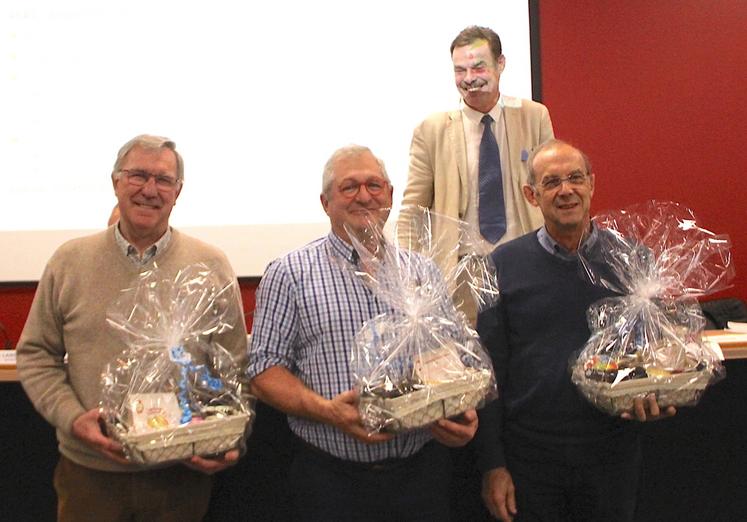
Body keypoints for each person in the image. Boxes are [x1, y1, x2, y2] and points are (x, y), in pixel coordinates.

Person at [16, 134, 248, 522]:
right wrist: (73, 418)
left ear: (178, 192)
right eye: (138, 175)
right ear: (115, 182)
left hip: (181, 473)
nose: (149, 190)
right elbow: (36, 353)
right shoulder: (69, 261)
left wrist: (228, 437)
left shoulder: (210, 265)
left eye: (163, 180)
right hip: (90, 474)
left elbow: (234, 366)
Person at [247, 144, 479, 522]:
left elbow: (448, 357)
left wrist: (458, 412)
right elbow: (262, 371)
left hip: (422, 477)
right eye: (349, 187)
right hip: (329, 482)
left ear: (390, 195)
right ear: (325, 202)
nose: (364, 196)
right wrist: (329, 412)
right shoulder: (289, 273)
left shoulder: (423, 271)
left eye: (374, 185)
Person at [474, 139, 676, 522]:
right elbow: (489, 373)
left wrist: (659, 395)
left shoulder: (632, 260)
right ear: (531, 195)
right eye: (551, 182)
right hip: (529, 460)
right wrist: (492, 464)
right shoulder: (502, 264)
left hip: (612, 455)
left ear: (592, 184)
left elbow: (655, 355)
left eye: (575, 178)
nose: (566, 190)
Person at [398, 25, 554, 321]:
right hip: (459, 274)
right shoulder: (431, 130)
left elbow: (552, 189)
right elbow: (412, 211)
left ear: (501, 64)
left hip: (524, 265)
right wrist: (407, 275)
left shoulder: (534, 116)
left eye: (478, 67)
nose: (469, 79)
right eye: (460, 70)